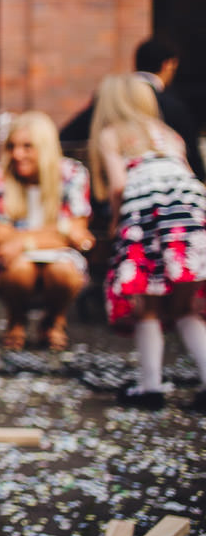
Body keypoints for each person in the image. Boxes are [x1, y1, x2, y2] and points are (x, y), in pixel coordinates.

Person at [87, 74, 206, 411]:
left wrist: (114, 221)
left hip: (147, 218)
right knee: (188, 308)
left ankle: (150, 387)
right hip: (190, 217)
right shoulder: (169, 135)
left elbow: (119, 186)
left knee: (147, 307)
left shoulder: (111, 135)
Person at [0, 111, 96, 352]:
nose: (17, 154)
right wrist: (59, 231)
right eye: (11, 146)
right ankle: (16, 319)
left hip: (57, 259)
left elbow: (78, 231)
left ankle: (54, 321)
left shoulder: (72, 173)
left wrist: (23, 241)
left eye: (27, 146)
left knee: (63, 271)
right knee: (18, 268)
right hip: (15, 261)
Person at [60, 36, 205, 181]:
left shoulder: (110, 99)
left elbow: (67, 139)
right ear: (168, 64)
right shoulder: (172, 108)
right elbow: (193, 162)